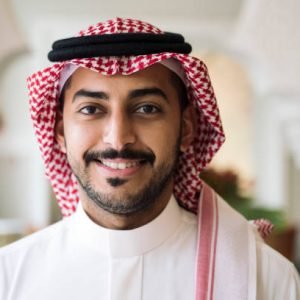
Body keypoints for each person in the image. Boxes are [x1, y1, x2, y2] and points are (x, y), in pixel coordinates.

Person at [0, 17, 299, 300]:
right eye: (91, 109)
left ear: (186, 129)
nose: (118, 138)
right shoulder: (10, 276)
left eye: (147, 109)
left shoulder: (264, 278)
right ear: (60, 132)